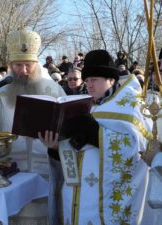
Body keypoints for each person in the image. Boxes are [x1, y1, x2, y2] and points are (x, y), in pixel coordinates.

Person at [39, 49, 152, 225]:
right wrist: (55, 148)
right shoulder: (87, 104)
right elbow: (77, 150)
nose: (89, 85)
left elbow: (139, 148)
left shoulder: (130, 105)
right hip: (77, 196)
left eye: (94, 80)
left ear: (111, 79)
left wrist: (95, 134)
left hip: (104, 201)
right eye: (87, 80)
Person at [0, 29, 66, 225]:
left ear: (36, 64)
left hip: (45, 170)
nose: (23, 70)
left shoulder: (54, 90)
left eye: (28, 65)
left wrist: (57, 142)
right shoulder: (2, 91)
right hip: (11, 171)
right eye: (18, 65)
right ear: (11, 65)